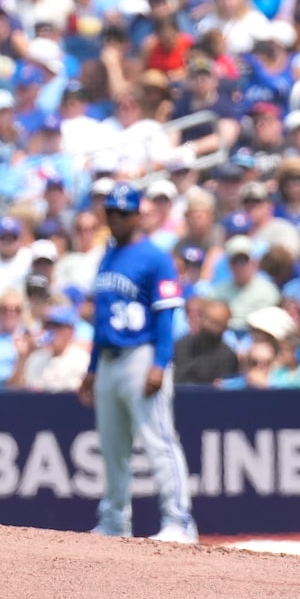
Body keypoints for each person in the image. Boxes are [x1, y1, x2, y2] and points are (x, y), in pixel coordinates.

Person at [77, 183, 197, 544]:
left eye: (123, 213)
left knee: (159, 441)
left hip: (141, 355)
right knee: (112, 447)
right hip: (109, 359)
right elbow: (101, 320)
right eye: (110, 212)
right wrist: (92, 369)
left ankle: (179, 521)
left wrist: (160, 363)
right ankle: (114, 521)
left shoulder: (156, 257)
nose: (115, 218)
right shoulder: (107, 256)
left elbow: (166, 316)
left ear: (137, 215)